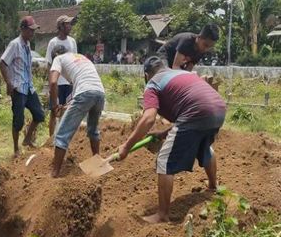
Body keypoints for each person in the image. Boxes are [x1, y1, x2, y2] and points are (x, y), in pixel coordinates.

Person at [116, 56, 227, 224]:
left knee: (164, 160)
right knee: (203, 146)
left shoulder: (153, 83)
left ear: (146, 75)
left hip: (196, 112)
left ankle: (162, 215)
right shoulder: (181, 74)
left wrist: (126, 147)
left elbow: (148, 119)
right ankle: (212, 187)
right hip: (218, 109)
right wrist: (165, 132)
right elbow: (187, 108)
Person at [49, 46, 105, 177]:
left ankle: (54, 173)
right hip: (99, 93)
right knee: (93, 130)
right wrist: (66, 106)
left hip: (85, 92)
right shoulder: (80, 57)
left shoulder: (58, 58)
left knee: (62, 134)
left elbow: (52, 83)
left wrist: (55, 105)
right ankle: (98, 165)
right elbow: (80, 93)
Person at [0, 16, 46, 157]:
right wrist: (9, 83)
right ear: (23, 29)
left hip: (29, 87)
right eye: (30, 30)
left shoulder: (27, 45)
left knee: (39, 114)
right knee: (18, 120)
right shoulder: (15, 45)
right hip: (18, 88)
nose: (32, 33)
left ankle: (27, 139)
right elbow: (2, 63)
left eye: (34, 30)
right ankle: (15, 149)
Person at [45, 15, 77, 136]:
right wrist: (50, 85)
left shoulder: (72, 42)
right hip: (57, 83)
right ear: (61, 26)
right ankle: (51, 139)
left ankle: (63, 137)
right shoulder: (53, 42)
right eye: (67, 24)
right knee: (54, 112)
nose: (70, 26)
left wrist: (74, 82)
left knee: (67, 111)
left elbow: (75, 61)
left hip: (69, 83)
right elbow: (49, 64)